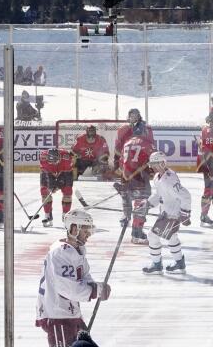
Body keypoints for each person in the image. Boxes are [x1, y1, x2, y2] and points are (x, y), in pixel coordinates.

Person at [35, 209, 110, 347]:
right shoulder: (61, 253)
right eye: (85, 231)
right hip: (58, 316)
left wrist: (98, 288)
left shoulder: (76, 251)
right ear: (74, 229)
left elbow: (85, 279)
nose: (88, 235)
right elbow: (68, 289)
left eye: (89, 231)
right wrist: (95, 291)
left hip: (69, 314)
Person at [141, 152, 191, 275]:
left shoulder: (170, 179)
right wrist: (148, 204)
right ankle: (180, 263)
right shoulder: (158, 177)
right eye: (151, 164)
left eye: (155, 164)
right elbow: (158, 195)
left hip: (171, 216)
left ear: (162, 163)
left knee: (152, 236)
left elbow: (186, 196)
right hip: (166, 213)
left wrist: (185, 213)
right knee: (172, 238)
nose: (152, 167)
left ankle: (157, 265)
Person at [119, 124, 157, 244]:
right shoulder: (146, 143)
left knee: (132, 201)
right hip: (139, 177)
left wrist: (126, 176)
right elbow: (155, 159)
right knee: (141, 204)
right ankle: (137, 232)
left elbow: (121, 161)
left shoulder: (127, 142)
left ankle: (126, 216)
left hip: (126, 176)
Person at [39, 148, 75, 227]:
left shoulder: (66, 158)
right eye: (51, 162)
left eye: (55, 162)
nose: (54, 164)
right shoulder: (43, 158)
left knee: (67, 192)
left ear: (60, 157)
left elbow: (67, 173)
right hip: (48, 172)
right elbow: (46, 174)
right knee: (44, 192)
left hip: (64, 172)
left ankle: (65, 216)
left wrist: (60, 183)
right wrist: (51, 186)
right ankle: (47, 215)